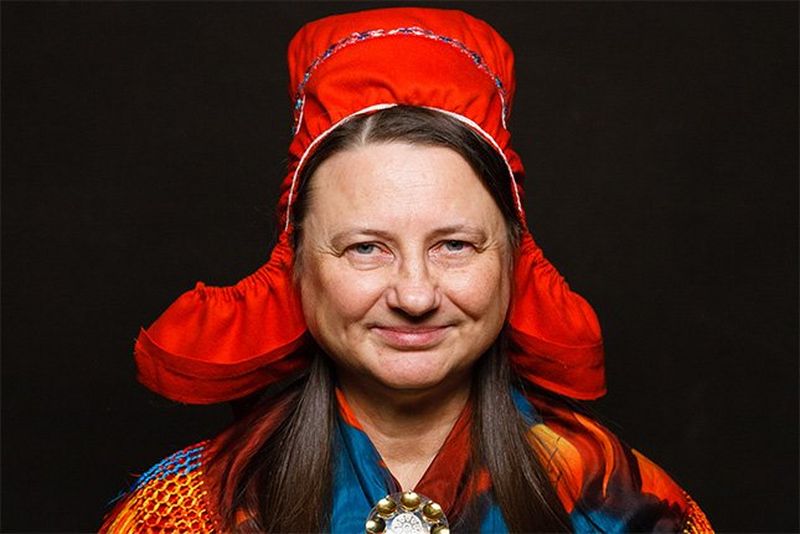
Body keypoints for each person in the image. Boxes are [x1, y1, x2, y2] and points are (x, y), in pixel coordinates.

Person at [101, 7, 712, 533]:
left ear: (514, 257)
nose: (415, 295)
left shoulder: (622, 507)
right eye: (366, 248)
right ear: (295, 264)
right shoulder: (192, 510)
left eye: (454, 245)